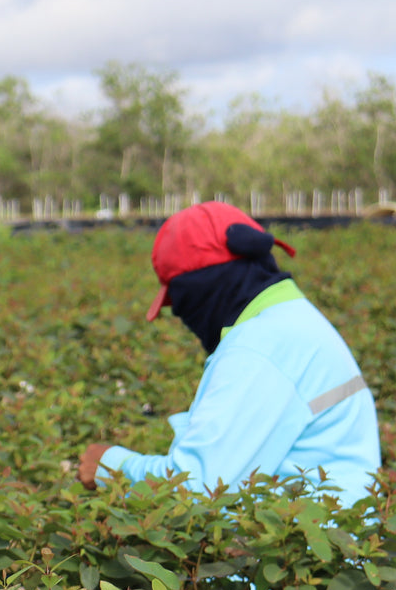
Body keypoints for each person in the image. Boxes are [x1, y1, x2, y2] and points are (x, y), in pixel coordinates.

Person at [79, 201, 380, 506]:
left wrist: (112, 467)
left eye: (180, 304)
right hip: (335, 536)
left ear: (199, 288)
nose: (185, 320)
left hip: (314, 545)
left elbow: (201, 490)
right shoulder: (293, 320)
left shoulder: (259, 348)